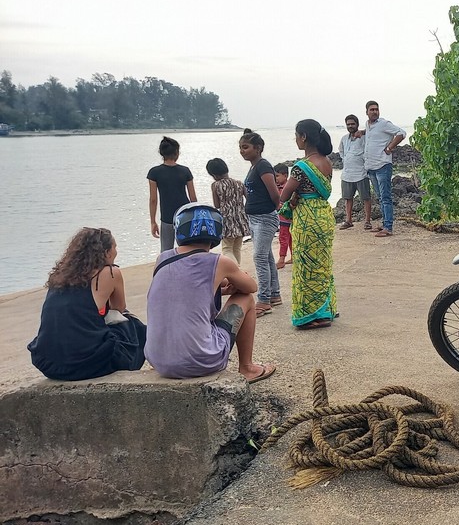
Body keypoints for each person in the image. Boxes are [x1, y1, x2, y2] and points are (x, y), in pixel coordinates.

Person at [144, 203, 276, 383]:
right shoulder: (219, 262)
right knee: (246, 298)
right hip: (200, 361)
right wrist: (234, 279)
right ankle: (247, 367)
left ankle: (166, 353)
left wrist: (219, 290)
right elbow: (251, 287)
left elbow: (178, 292)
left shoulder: (163, 259)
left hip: (158, 362)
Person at [27, 228, 147, 381]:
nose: (116, 252)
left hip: (50, 363)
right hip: (84, 364)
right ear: (105, 252)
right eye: (114, 247)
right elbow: (119, 309)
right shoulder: (110, 272)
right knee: (136, 327)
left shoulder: (59, 277)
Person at [278, 119, 337, 329]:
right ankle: (324, 312)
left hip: (307, 219)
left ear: (303, 137)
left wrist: (293, 197)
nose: (295, 140)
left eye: (296, 135)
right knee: (322, 264)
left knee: (305, 266)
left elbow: (284, 194)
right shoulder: (327, 162)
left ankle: (308, 316)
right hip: (324, 217)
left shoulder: (301, 167)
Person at [239, 128, 282, 317]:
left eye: (245, 147)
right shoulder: (253, 167)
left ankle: (263, 300)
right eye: (240, 147)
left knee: (259, 257)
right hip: (255, 218)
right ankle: (274, 294)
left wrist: (274, 209)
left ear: (258, 148)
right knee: (267, 257)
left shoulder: (263, 166)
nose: (242, 151)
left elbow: (274, 193)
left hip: (265, 217)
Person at [363, 101, 405, 237]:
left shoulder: (384, 123)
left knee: (385, 197)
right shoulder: (367, 125)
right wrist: (361, 132)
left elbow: (401, 133)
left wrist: (390, 147)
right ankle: (384, 223)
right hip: (371, 167)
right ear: (367, 112)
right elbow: (372, 134)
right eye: (372, 110)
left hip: (383, 166)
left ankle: (388, 227)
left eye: (376, 109)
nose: (375, 111)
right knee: (380, 197)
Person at [148, 136, 197, 251]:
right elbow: (193, 198)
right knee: (187, 247)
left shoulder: (154, 172)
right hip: (185, 215)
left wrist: (153, 221)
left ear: (161, 153)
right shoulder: (185, 171)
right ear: (176, 153)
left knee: (166, 250)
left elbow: (153, 200)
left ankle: (166, 268)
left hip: (167, 216)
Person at [208, 158, 251, 265]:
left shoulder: (216, 185)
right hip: (241, 218)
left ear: (214, 174)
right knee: (237, 248)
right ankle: (238, 271)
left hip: (227, 220)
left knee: (227, 248)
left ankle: (234, 270)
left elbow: (216, 205)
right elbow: (248, 199)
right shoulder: (239, 183)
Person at [338, 114, 372, 230]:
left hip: (361, 173)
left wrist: (362, 132)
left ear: (357, 124)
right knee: (348, 198)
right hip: (347, 174)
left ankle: (367, 221)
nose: (350, 126)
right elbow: (341, 152)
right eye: (348, 124)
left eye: (353, 124)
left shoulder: (364, 137)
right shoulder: (343, 139)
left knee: (366, 198)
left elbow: (372, 131)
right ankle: (348, 220)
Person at [274, 162, 293, 268]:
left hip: (285, 217)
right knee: (289, 237)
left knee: (283, 237)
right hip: (286, 217)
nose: (275, 178)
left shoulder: (286, 187)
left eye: (277, 176)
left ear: (285, 175)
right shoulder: (280, 186)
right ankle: (293, 256)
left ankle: (282, 259)